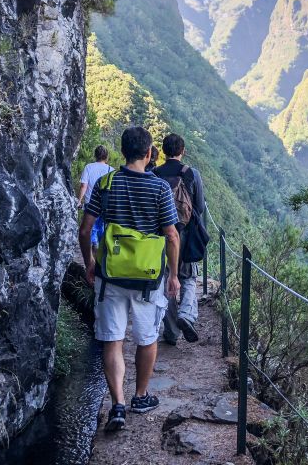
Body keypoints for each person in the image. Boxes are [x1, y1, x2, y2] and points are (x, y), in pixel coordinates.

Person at [78, 126, 180, 431]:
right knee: (147, 338)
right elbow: (172, 235)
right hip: (148, 279)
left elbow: (85, 230)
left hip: (111, 276)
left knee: (113, 339)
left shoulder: (107, 184)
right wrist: (174, 275)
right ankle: (141, 396)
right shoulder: (160, 189)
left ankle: (118, 406)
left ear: (123, 152)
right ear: (149, 154)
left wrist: (90, 263)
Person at [153, 133, 205, 345]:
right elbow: (199, 207)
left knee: (166, 280)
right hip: (185, 235)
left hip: (160, 236)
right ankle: (186, 314)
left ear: (164, 151)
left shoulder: (154, 174)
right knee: (188, 277)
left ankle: (172, 332)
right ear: (182, 151)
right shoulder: (192, 174)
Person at [78, 146, 116, 253]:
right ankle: (102, 247)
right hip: (105, 204)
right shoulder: (111, 170)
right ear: (107, 157)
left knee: (92, 226)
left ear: (95, 155)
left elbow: (83, 186)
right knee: (102, 226)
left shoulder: (89, 167)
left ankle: (94, 244)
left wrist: (79, 200)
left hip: (90, 202)